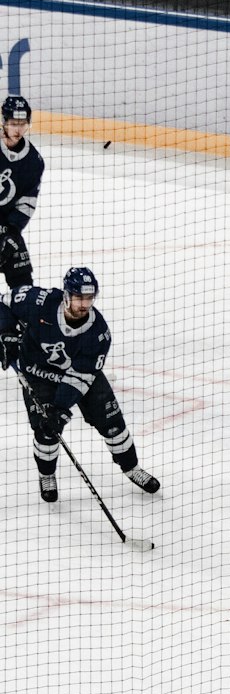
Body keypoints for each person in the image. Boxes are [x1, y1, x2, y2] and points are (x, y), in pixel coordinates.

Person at [0, 266, 160, 505]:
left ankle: (131, 468)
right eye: (79, 297)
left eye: (89, 298)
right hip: (38, 373)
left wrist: (60, 408)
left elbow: (81, 377)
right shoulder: (39, 301)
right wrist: (6, 334)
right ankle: (47, 475)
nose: (84, 304)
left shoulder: (98, 333)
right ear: (66, 295)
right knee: (46, 432)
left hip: (78, 378)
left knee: (113, 424)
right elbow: (4, 303)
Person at [0, 95, 43, 291]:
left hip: (7, 228)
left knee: (24, 287)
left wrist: (12, 232)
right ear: (3, 122)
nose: (18, 130)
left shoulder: (33, 161)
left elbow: (26, 203)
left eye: (23, 123)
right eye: (13, 123)